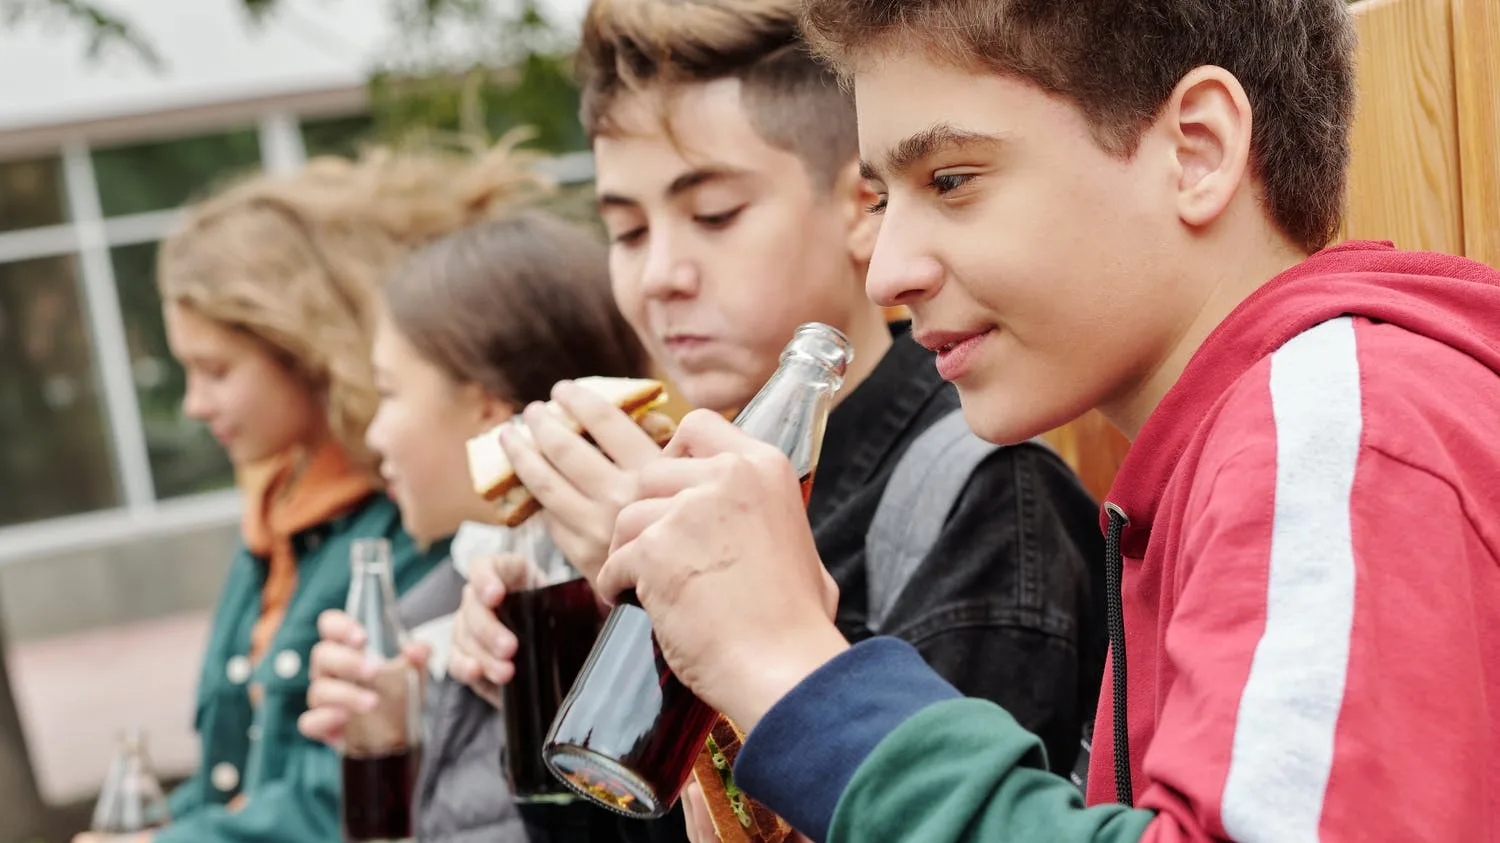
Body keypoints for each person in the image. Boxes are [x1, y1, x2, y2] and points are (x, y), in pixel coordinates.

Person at [595, 0, 1500, 840]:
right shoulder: (1259, 443)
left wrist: (795, 670)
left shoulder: (1339, 433)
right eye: (883, 198)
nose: (887, 272)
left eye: (950, 179)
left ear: (1197, 150)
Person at [449, 0, 1107, 837]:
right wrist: (568, 645)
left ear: (863, 208)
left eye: (714, 214)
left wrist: (691, 608)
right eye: (623, 229)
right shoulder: (674, 474)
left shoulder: (984, 501)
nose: (660, 275)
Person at [72, 143, 544, 843]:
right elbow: (242, 777)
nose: (195, 404)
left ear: (303, 346)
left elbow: (354, 797)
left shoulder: (422, 515)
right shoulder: (277, 519)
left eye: (215, 370)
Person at [298, 206, 659, 843]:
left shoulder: (601, 606)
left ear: (488, 408)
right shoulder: (447, 601)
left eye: (388, 392)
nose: (373, 434)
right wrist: (394, 740)